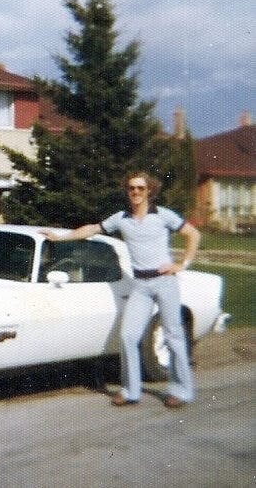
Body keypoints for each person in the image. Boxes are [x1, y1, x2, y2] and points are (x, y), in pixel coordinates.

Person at [44, 171, 201, 408]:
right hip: (140, 285)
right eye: (131, 188)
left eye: (140, 188)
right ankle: (130, 391)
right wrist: (59, 237)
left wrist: (182, 264)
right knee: (128, 336)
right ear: (127, 191)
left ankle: (181, 390)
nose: (135, 192)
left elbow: (193, 234)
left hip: (165, 282)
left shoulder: (162, 215)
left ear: (149, 190)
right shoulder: (121, 218)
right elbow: (91, 229)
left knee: (173, 336)